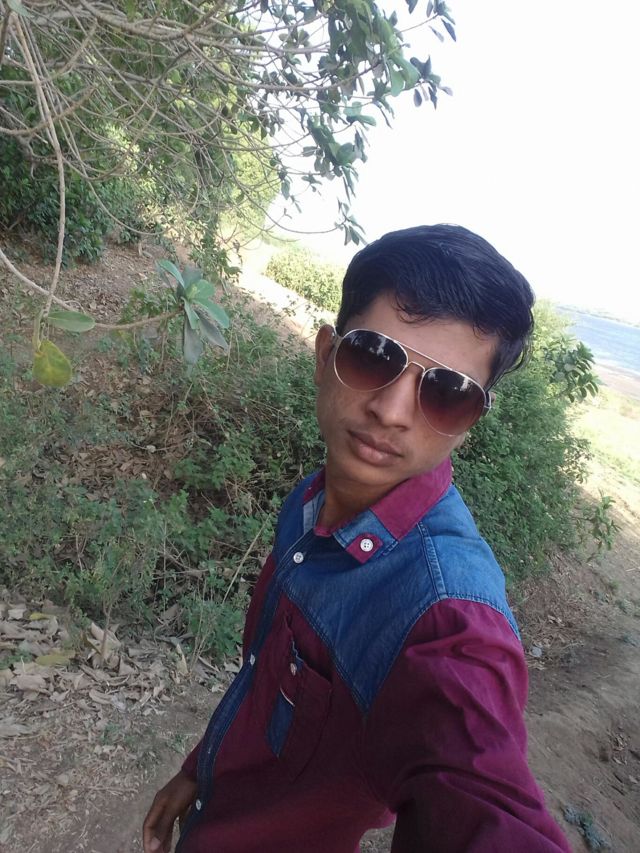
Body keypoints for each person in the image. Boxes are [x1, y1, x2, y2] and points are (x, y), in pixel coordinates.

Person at [143, 225, 571, 852]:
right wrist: (198, 769)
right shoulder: (313, 499)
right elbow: (265, 682)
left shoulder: (448, 617)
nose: (391, 411)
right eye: (374, 356)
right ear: (325, 356)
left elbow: (480, 793)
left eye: (447, 393)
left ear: (468, 425)